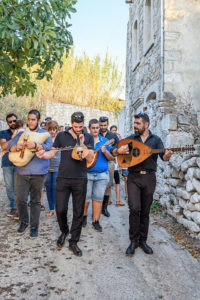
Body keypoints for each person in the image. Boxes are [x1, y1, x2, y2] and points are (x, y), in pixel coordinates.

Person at [112, 112, 173, 256]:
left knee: (145, 210)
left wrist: (168, 155)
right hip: (133, 178)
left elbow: (163, 157)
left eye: (138, 123)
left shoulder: (156, 140)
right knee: (134, 208)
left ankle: (143, 241)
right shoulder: (130, 139)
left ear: (146, 125)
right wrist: (117, 151)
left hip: (149, 178)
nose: (135, 126)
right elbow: (114, 150)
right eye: (134, 123)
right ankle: (133, 241)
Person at [36, 112, 94, 257]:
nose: (79, 128)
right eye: (76, 126)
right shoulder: (61, 136)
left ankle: (74, 241)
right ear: (71, 123)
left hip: (80, 179)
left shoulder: (88, 137)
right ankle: (64, 231)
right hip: (63, 178)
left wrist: (81, 144)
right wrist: (43, 155)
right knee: (60, 209)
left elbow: (90, 159)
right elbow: (52, 153)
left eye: (81, 126)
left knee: (78, 212)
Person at [8, 109, 53, 238]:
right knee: (20, 199)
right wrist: (17, 147)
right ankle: (24, 222)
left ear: (38, 121)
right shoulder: (23, 133)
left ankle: (34, 226)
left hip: (39, 173)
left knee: (35, 201)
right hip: (22, 172)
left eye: (33, 119)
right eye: (28, 119)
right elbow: (10, 145)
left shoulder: (45, 134)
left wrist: (36, 145)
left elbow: (50, 147)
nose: (30, 122)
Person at [82, 119, 114, 232]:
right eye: (93, 128)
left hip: (101, 175)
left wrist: (105, 151)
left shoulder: (104, 141)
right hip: (87, 174)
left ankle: (96, 221)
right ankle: (84, 217)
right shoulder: (84, 140)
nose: (95, 130)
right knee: (85, 198)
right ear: (89, 128)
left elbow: (111, 158)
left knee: (98, 199)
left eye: (97, 128)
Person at [99, 116, 119, 217]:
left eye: (105, 125)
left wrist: (111, 151)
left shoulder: (113, 135)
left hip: (110, 161)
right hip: (98, 161)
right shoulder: (96, 134)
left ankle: (104, 208)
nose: (103, 127)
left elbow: (117, 147)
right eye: (101, 125)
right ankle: (97, 207)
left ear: (107, 124)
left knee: (109, 184)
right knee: (98, 185)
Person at [0, 113, 18, 218]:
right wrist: (13, 138)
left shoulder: (22, 133)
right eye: (10, 121)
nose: (12, 123)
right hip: (7, 164)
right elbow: (3, 145)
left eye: (14, 121)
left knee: (18, 187)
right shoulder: (2, 133)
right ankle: (13, 207)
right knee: (9, 187)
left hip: (19, 163)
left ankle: (18, 208)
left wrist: (6, 148)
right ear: (7, 123)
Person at [45, 120, 61, 218]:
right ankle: (51, 208)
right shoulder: (46, 139)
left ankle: (56, 208)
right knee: (48, 188)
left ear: (57, 129)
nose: (52, 131)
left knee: (55, 187)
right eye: (50, 129)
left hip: (57, 166)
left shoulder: (60, 139)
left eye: (54, 129)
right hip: (46, 166)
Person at [110, 125, 125, 207]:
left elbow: (121, 153)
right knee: (108, 183)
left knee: (117, 182)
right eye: (113, 130)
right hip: (109, 164)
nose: (114, 131)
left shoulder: (119, 140)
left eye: (115, 130)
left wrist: (120, 164)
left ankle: (117, 200)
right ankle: (108, 200)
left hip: (116, 165)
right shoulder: (108, 139)